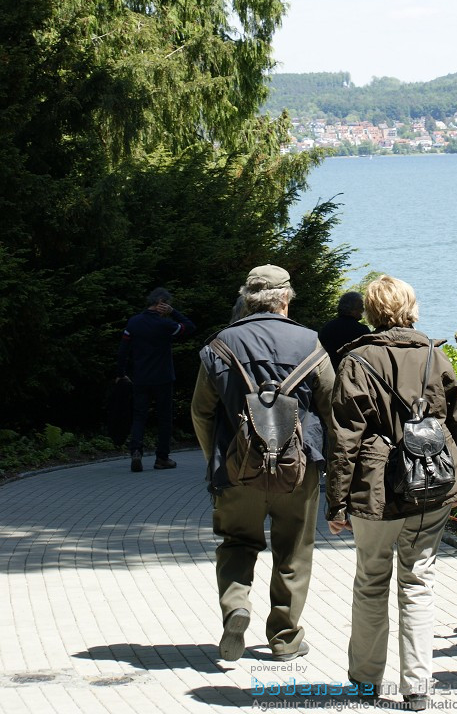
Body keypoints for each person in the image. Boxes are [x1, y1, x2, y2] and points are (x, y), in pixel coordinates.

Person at [326, 275, 457, 711]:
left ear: (370, 312)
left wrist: (336, 502)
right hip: (433, 482)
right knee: (420, 581)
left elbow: (344, 440)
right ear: (411, 307)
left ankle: (365, 681)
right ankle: (418, 686)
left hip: (376, 490)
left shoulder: (357, 360)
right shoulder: (435, 355)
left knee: (371, 581)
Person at [191, 264, 335, 662]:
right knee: (293, 551)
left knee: (237, 542)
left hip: (238, 470)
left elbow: (201, 412)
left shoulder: (221, 344)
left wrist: (215, 461)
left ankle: (236, 605)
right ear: (285, 299)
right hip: (298, 469)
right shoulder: (312, 344)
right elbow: (333, 411)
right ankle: (285, 639)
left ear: (247, 299)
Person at [116, 287, 195, 473]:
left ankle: (136, 451)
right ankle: (162, 458)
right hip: (163, 377)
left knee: (139, 415)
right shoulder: (166, 325)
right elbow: (190, 327)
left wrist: (120, 373)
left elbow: (123, 350)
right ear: (164, 304)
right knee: (164, 418)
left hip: (140, 377)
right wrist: (173, 313)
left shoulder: (134, 323)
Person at [318, 290, 371, 371]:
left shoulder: (327, 327)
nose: (362, 310)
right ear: (351, 310)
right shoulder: (362, 330)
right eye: (360, 307)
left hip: (330, 370)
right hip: (353, 373)